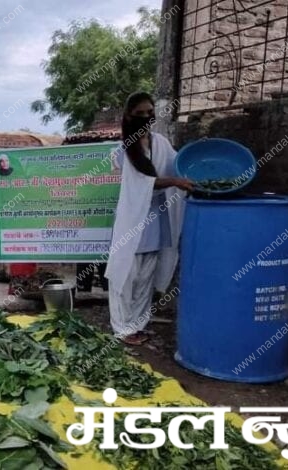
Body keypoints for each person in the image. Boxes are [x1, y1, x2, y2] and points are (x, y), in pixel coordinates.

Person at [105, 92, 193, 346]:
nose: (146, 117)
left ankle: (137, 326)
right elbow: (143, 183)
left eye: (149, 112)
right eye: (140, 113)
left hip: (156, 221)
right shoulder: (123, 150)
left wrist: (196, 161)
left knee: (146, 280)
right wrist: (176, 182)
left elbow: (179, 164)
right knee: (125, 278)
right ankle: (121, 328)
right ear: (128, 116)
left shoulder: (161, 143)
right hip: (132, 224)